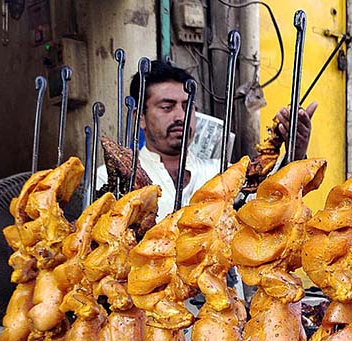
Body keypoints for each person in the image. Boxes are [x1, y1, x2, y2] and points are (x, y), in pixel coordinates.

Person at [98, 61, 317, 221]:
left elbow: (270, 209)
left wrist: (295, 154)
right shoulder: (113, 176)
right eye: (167, 107)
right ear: (140, 117)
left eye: (187, 107)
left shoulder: (225, 173)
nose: (180, 117)